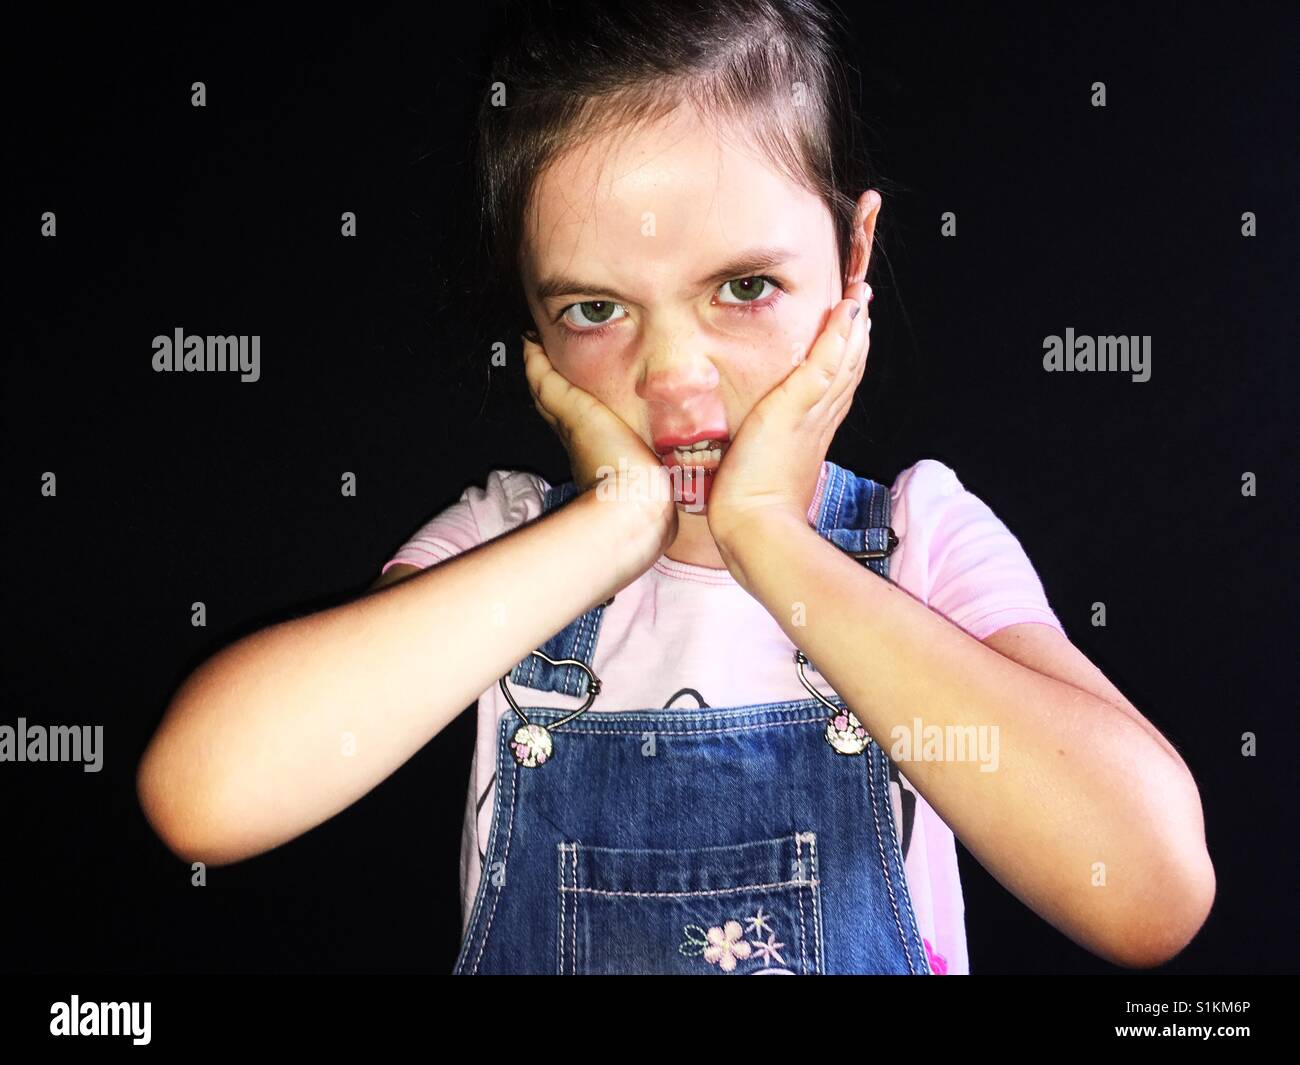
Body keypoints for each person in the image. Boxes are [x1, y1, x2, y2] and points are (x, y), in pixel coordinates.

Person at [137, 0, 1215, 975]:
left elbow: (1150, 894)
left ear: (852, 256)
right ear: (531, 322)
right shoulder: (503, 545)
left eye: (743, 288)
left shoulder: (919, 539)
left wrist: (766, 539)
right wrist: (608, 529)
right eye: (594, 310)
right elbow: (203, 798)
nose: (674, 379)